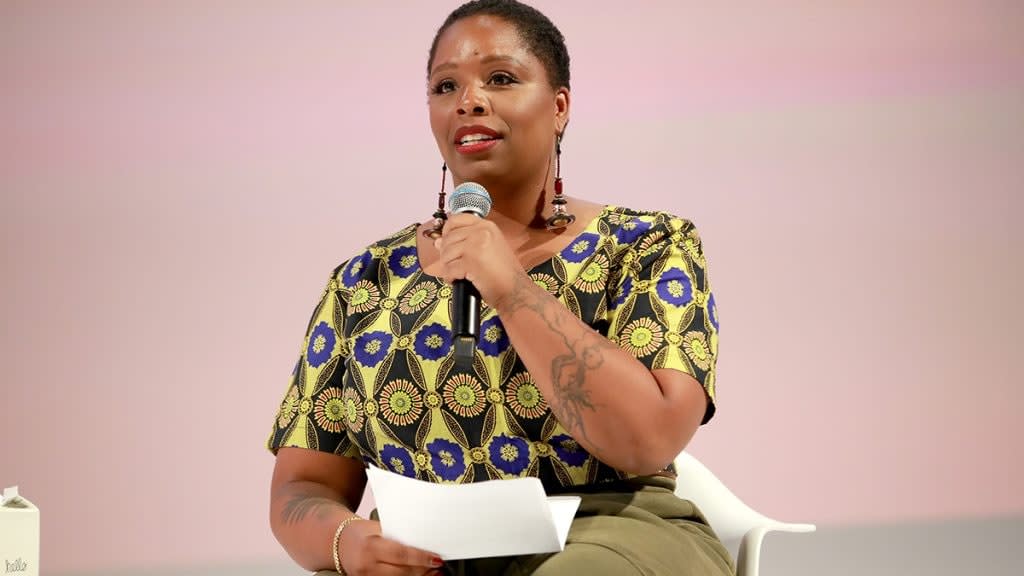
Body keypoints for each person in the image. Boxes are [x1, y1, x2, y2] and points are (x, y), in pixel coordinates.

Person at [267, 1, 731, 574]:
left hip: (610, 536)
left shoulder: (646, 247)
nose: (469, 101)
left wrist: (511, 288)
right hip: (433, 557)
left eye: (501, 79)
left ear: (559, 107)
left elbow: (649, 439)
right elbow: (302, 487)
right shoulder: (363, 281)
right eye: (445, 86)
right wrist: (349, 542)